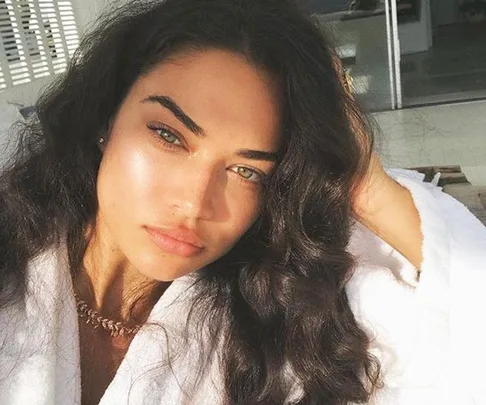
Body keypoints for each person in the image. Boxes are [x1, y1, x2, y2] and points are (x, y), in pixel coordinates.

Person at [0, 0, 484, 404]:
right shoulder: (12, 251)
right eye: (168, 135)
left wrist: (365, 184)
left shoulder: (283, 317)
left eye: (247, 170)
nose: (194, 203)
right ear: (104, 118)